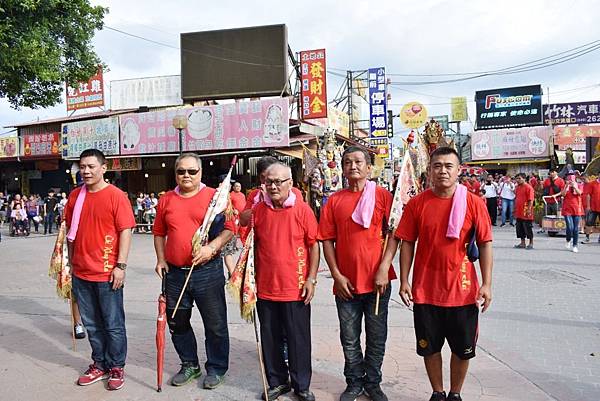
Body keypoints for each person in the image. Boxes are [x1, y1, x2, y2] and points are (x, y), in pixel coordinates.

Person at [381, 146, 493, 401]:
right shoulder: (418, 204)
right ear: (429, 170)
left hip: (463, 292)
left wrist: (487, 284)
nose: (442, 171)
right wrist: (405, 280)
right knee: (429, 347)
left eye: (448, 166)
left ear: (458, 170)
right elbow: (407, 241)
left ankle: (455, 393)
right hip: (426, 291)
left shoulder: (474, 204)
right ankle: (437, 392)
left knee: (462, 350)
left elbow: (485, 243)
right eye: (437, 166)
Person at [318, 146, 395, 401]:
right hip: (346, 284)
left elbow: (395, 234)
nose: (354, 166)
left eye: (359, 161)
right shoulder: (334, 201)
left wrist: (384, 268)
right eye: (348, 162)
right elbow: (327, 240)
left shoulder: (383, 196)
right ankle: (353, 382)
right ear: (342, 168)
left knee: (376, 337)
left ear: (369, 167)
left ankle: (373, 383)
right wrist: (337, 276)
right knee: (349, 338)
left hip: (377, 283)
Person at [152, 153, 234, 389]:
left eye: (191, 171)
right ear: (175, 173)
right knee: (177, 321)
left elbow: (229, 228)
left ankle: (217, 368)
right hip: (176, 274)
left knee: (215, 324)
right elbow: (159, 232)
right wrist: (160, 259)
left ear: (200, 172)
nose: (186, 176)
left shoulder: (214, 198)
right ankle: (189, 363)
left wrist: (211, 247)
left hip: (207, 271)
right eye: (181, 171)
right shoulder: (166, 199)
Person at [64, 148, 136, 391]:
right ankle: (99, 363)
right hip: (81, 271)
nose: (85, 171)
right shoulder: (75, 196)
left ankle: (116, 366)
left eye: (91, 166)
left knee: (113, 323)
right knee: (92, 323)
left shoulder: (116, 196)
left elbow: (126, 230)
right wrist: (69, 265)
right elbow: (69, 235)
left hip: (107, 272)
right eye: (82, 167)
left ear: (104, 168)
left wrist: (121, 266)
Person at [253, 163, 319, 401]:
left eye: (278, 181)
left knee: (298, 339)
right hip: (265, 288)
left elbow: (314, 245)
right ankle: (277, 381)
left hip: (296, 288)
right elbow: (249, 243)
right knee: (270, 339)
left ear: (290, 183)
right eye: (268, 182)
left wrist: (311, 279)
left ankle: (301, 384)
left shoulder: (302, 210)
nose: (273, 186)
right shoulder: (259, 210)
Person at [223, 181, 246, 276]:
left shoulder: (242, 195)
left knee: (244, 231)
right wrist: (233, 210)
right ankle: (232, 274)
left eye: (239, 186)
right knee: (235, 233)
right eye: (236, 186)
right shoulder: (229, 195)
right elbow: (229, 206)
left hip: (242, 217)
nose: (238, 187)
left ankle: (245, 246)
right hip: (233, 219)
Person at [561, 171, 584, 253]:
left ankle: (575, 245)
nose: (570, 179)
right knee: (569, 227)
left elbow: (580, 193)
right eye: (569, 177)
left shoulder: (579, 185)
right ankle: (568, 239)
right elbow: (563, 195)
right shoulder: (565, 186)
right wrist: (566, 186)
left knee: (575, 229)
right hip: (567, 209)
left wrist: (575, 187)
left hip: (577, 209)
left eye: (572, 177)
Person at [513, 173, 535, 249]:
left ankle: (531, 243)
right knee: (519, 227)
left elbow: (531, 200)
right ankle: (522, 243)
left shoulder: (529, 187)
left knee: (527, 227)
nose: (517, 180)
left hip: (526, 210)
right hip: (519, 211)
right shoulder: (517, 187)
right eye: (517, 179)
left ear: (524, 178)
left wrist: (529, 209)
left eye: (519, 178)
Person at [583, 174, 600, 243]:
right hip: (593, 207)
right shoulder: (592, 183)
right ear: (598, 175)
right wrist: (588, 206)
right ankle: (587, 238)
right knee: (589, 222)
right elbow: (588, 195)